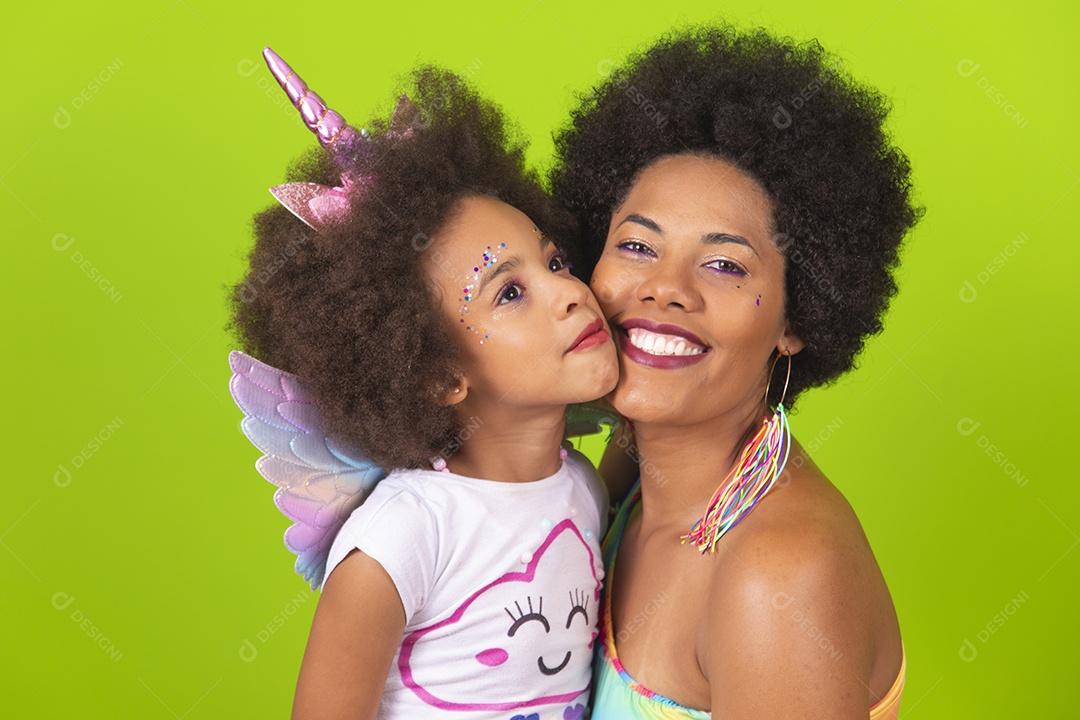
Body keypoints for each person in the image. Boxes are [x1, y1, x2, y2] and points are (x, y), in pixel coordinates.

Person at [229, 49, 619, 719]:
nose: (569, 292)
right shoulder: (405, 533)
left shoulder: (584, 489)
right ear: (439, 374)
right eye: (510, 292)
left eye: (554, 262)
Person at [551, 24, 922, 719]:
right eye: (636, 246)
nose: (665, 289)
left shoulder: (779, 573)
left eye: (724, 264)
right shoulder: (628, 467)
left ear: (795, 320)